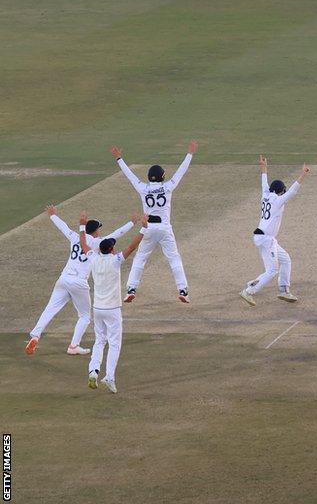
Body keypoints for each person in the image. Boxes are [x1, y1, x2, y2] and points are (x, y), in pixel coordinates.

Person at [25, 207, 132, 356]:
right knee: (84, 316)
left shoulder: (75, 237)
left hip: (64, 278)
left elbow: (64, 227)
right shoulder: (97, 243)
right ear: (95, 231)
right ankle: (73, 345)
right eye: (98, 229)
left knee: (50, 308)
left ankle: (35, 335)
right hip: (79, 283)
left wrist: (53, 215)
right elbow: (116, 234)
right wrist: (132, 223)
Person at [110, 140, 197, 303]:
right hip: (164, 228)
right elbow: (181, 172)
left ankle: (131, 289)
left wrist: (119, 159)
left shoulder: (143, 188)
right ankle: (183, 291)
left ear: (149, 177)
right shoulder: (168, 187)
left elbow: (130, 176)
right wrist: (190, 154)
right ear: (163, 177)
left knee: (140, 259)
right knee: (174, 259)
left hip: (147, 228)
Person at [79, 211, 147, 394]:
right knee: (114, 344)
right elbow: (132, 247)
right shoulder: (115, 260)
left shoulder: (93, 258)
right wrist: (144, 228)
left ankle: (93, 371)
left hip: (98, 308)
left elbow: (83, 244)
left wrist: (81, 226)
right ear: (111, 249)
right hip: (113, 309)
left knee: (99, 341)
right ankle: (109, 376)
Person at [239, 156, 310, 306]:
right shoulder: (278, 200)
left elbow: (264, 181)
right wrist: (303, 174)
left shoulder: (265, 194)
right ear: (279, 192)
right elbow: (293, 191)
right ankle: (249, 291)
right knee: (272, 270)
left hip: (264, 237)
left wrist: (263, 167)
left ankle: (284, 289)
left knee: (286, 259)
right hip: (266, 239)